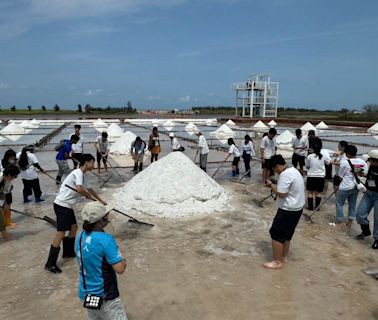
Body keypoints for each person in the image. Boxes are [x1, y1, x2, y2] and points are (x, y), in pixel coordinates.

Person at [45, 154, 107, 274]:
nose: (93, 165)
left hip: (67, 206)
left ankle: (68, 253)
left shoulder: (83, 176)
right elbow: (79, 189)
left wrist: (100, 200)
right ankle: (50, 263)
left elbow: (89, 189)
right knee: (61, 233)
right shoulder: (77, 173)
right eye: (92, 163)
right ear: (87, 163)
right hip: (61, 205)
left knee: (74, 227)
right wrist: (85, 195)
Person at [76, 202, 128, 319]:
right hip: (105, 295)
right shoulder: (106, 239)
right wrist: (121, 257)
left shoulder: (79, 236)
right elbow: (120, 269)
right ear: (101, 220)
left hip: (85, 293)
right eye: (106, 215)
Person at [264, 155, 305, 269]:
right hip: (297, 208)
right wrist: (275, 184)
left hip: (288, 209)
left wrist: (271, 185)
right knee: (287, 234)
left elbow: (281, 193)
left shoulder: (285, 174)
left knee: (276, 234)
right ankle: (284, 257)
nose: (275, 172)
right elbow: (287, 187)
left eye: (274, 169)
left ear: (277, 166)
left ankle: (277, 262)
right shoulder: (293, 170)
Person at [336, 145, 368, 227]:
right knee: (352, 204)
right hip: (356, 187)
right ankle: (350, 222)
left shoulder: (344, 162)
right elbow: (362, 174)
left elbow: (340, 176)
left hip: (344, 187)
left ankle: (340, 221)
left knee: (339, 204)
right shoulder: (362, 162)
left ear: (347, 154)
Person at [355, 150, 378, 248]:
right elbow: (369, 176)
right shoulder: (372, 166)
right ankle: (366, 231)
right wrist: (358, 172)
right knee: (359, 214)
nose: (368, 161)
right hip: (368, 193)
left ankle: (377, 238)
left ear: (375, 160)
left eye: (369, 160)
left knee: (377, 219)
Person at [305, 141, 331, 210]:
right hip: (320, 177)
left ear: (313, 149)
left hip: (311, 176)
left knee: (310, 192)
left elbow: (307, 166)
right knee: (318, 193)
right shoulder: (323, 156)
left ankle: (310, 207)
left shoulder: (309, 156)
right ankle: (317, 208)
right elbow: (328, 163)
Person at [0, 165, 20, 240]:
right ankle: (5, 235)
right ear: (9, 175)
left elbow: (3, 194)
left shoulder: (8, 183)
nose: (15, 178)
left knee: (1, 215)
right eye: (15, 176)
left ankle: (4, 234)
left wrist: (4, 204)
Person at [1, 149, 17, 227]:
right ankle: (3, 222)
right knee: (2, 205)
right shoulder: (1, 164)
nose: (13, 160)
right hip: (2, 187)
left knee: (8, 204)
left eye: (14, 158)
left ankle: (8, 221)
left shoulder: (13, 165)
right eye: (12, 158)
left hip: (7, 188)